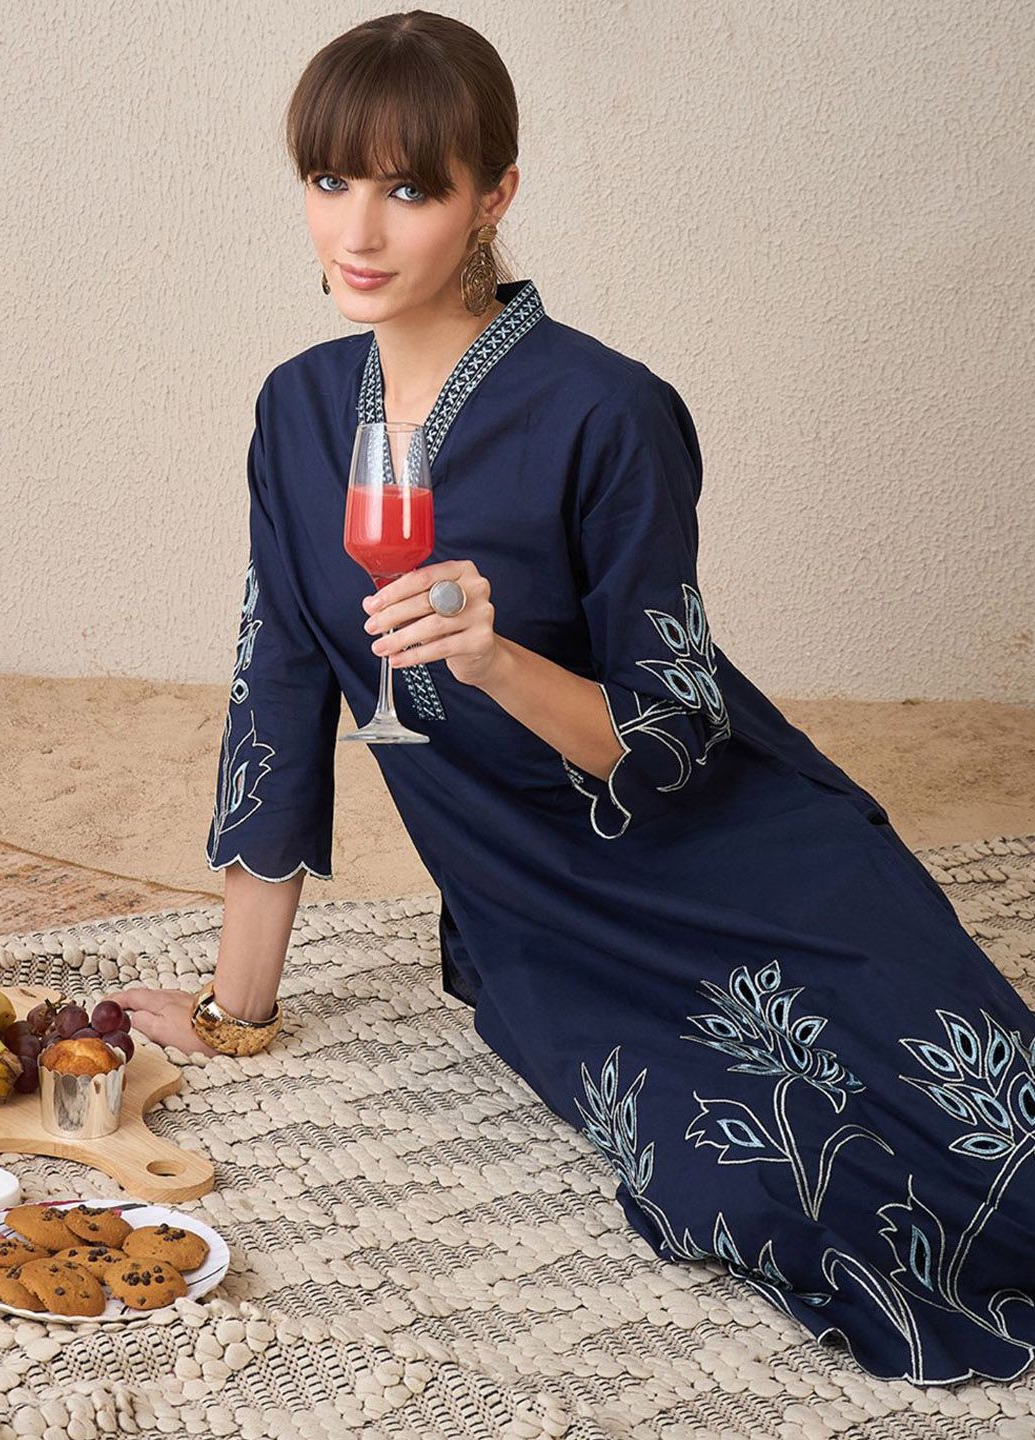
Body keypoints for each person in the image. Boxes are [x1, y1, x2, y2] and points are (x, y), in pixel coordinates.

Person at [112, 10, 1035, 1386]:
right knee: (754, 1186)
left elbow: (671, 739)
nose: (358, 229)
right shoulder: (296, 412)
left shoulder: (609, 412)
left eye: (411, 189)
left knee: (985, 1121)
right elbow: (280, 688)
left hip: (739, 852)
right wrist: (238, 1006)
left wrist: (493, 658)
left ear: (494, 196)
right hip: (536, 910)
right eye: (330, 179)